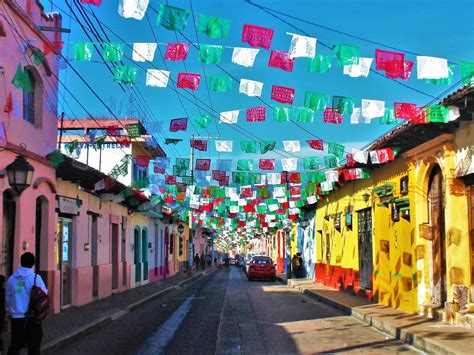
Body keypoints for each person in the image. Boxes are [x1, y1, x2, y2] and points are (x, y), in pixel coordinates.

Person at [6, 252, 48, 355]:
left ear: (21, 262)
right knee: (34, 345)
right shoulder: (35, 278)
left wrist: (9, 312)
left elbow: (8, 298)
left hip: (16, 316)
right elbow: (44, 294)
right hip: (32, 316)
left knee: (15, 344)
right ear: (33, 263)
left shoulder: (11, 279)